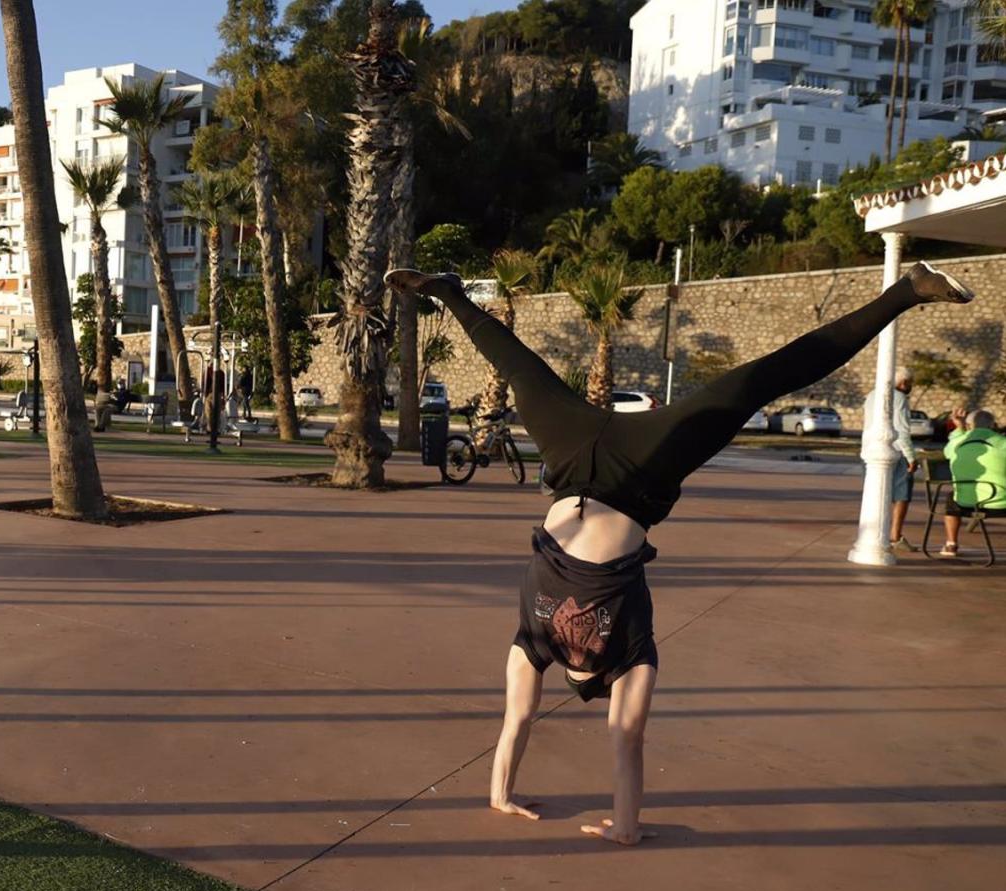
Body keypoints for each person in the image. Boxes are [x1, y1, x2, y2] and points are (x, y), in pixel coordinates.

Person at [385, 261, 975, 846]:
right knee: (758, 381)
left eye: (577, 676)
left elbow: (515, 722)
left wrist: (501, 794)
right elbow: (628, 742)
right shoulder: (631, 655)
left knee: (515, 364)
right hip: (643, 471)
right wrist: (625, 826)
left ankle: (446, 292)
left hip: (569, 461)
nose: (581, 673)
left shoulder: (532, 646)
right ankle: (906, 291)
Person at [937, 410, 1006, 558]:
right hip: (1001, 502)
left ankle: (951, 544)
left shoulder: (957, 443)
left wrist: (959, 429)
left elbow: (947, 452)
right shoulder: (1003, 443)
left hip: (964, 502)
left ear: (969, 426)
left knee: (951, 496)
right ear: (993, 426)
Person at [864, 365, 917, 550]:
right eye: (910, 383)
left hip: (871, 450)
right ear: (903, 383)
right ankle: (895, 535)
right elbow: (902, 430)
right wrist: (911, 457)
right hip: (894, 451)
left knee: (877, 494)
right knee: (901, 494)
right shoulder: (900, 398)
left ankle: (873, 532)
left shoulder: (872, 395)